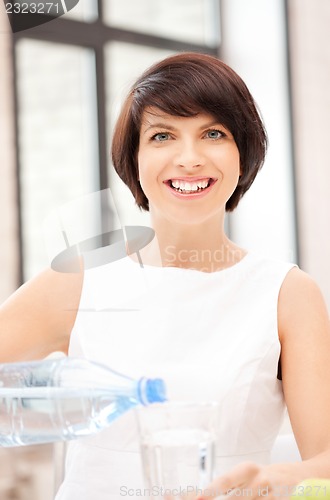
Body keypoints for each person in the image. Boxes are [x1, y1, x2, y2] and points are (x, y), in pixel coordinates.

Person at [1, 52, 330, 499]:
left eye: (213, 133)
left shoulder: (286, 294)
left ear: (242, 154)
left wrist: (281, 476)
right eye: (162, 136)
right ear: (134, 159)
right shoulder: (79, 279)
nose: (189, 159)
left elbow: (325, 458)